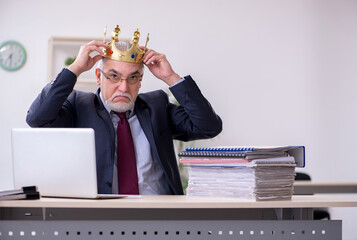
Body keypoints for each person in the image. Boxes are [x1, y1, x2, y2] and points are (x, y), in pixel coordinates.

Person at [26, 29, 222, 195]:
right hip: (99, 218)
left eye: (133, 78)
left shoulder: (156, 106)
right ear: (98, 76)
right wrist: (75, 69)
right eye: (114, 76)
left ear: (140, 80)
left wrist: (171, 78)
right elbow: (37, 119)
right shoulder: (79, 105)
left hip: (160, 216)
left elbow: (208, 127)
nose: (123, 88)